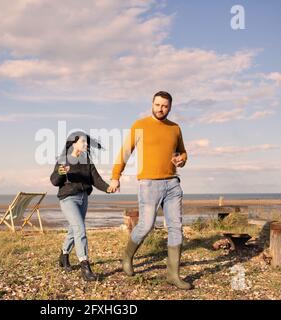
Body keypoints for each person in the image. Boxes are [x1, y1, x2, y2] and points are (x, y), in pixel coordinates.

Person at [108, 91, 192, 290]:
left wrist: (182, 159)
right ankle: (127, 257)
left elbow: (183, 152)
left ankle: (173, 274)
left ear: (170, 107)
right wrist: (115, 176)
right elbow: (125, 152)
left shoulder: (175, 128)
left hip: (172, 184)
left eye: (164, 106)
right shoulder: (140, 125)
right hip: (149, 184)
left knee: (175, 227)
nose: (160, 109)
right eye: (157, 105)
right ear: (152, 104)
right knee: (146, 225)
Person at [50, 131, 111, 281]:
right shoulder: (64, 159)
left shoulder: (87, 160)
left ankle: (64, 255)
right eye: (83, 141)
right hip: (68, 198)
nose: (86, 144)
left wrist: (108, 188)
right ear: (74, 143)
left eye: (87, 142)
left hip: (83, 198)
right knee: (80, 228)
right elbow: (54, 180)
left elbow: (96, 179)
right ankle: (85, 267)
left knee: (74, 229)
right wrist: (61, 172)